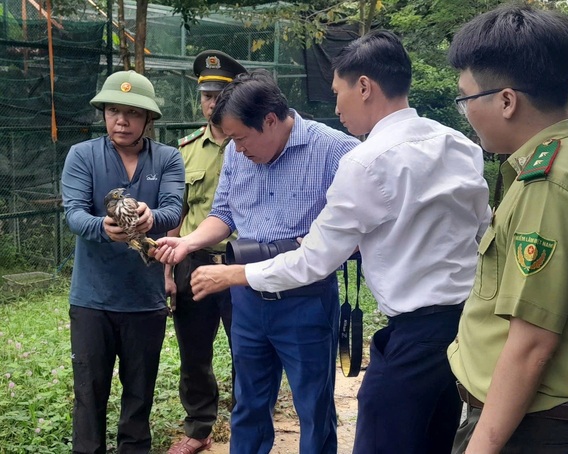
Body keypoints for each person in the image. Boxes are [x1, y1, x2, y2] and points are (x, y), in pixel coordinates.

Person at [162, 30, 492, 453]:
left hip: (347, 313)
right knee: (432, 436)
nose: (336, 106)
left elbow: (314, 260)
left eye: (338, 93)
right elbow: (483, 230)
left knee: (341, 417)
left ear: (365, 87)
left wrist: (236, 273)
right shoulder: (460, 145)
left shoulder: (355, 157)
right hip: (460, 328)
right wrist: (194, 245)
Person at [446, 5, 568, 453]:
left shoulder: (551, 183)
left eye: (466, 99)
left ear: (507, 101)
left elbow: (531, 346)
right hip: (531, 422)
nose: (464, 113)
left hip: (529, 429)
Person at [154, 69, 360, 453]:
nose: (237, 148)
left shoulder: (337, 151)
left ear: (270, 120)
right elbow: (225, 214)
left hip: (305, 298)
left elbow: (359, 231)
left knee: (313, 407)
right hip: (246, 296)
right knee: (248, 404)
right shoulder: (236, 150)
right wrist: (186, 242)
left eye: (241, 137)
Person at [61, 70, 184, 453]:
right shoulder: (83, 155)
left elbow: (174, 208)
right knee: (89, 393)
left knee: (139, 395)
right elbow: (74, 214)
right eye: (113, 110)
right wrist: (103, 226)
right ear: (104, 114)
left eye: (132, 113)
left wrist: (154, 218)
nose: (121, 120)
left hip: (145, 300)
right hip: (92, 301)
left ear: (149, 119)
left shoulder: (167, 158)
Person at [165, 50, 247, 454]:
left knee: (246, 347)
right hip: (194, 263)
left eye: (221, 94)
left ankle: (250, 418)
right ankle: (199, 428)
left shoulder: (250, 143)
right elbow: (177, 213)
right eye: (207, 96)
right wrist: (168, 269)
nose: (212, 103)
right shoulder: (186, 150)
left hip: (241, 262)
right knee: (193, 351)